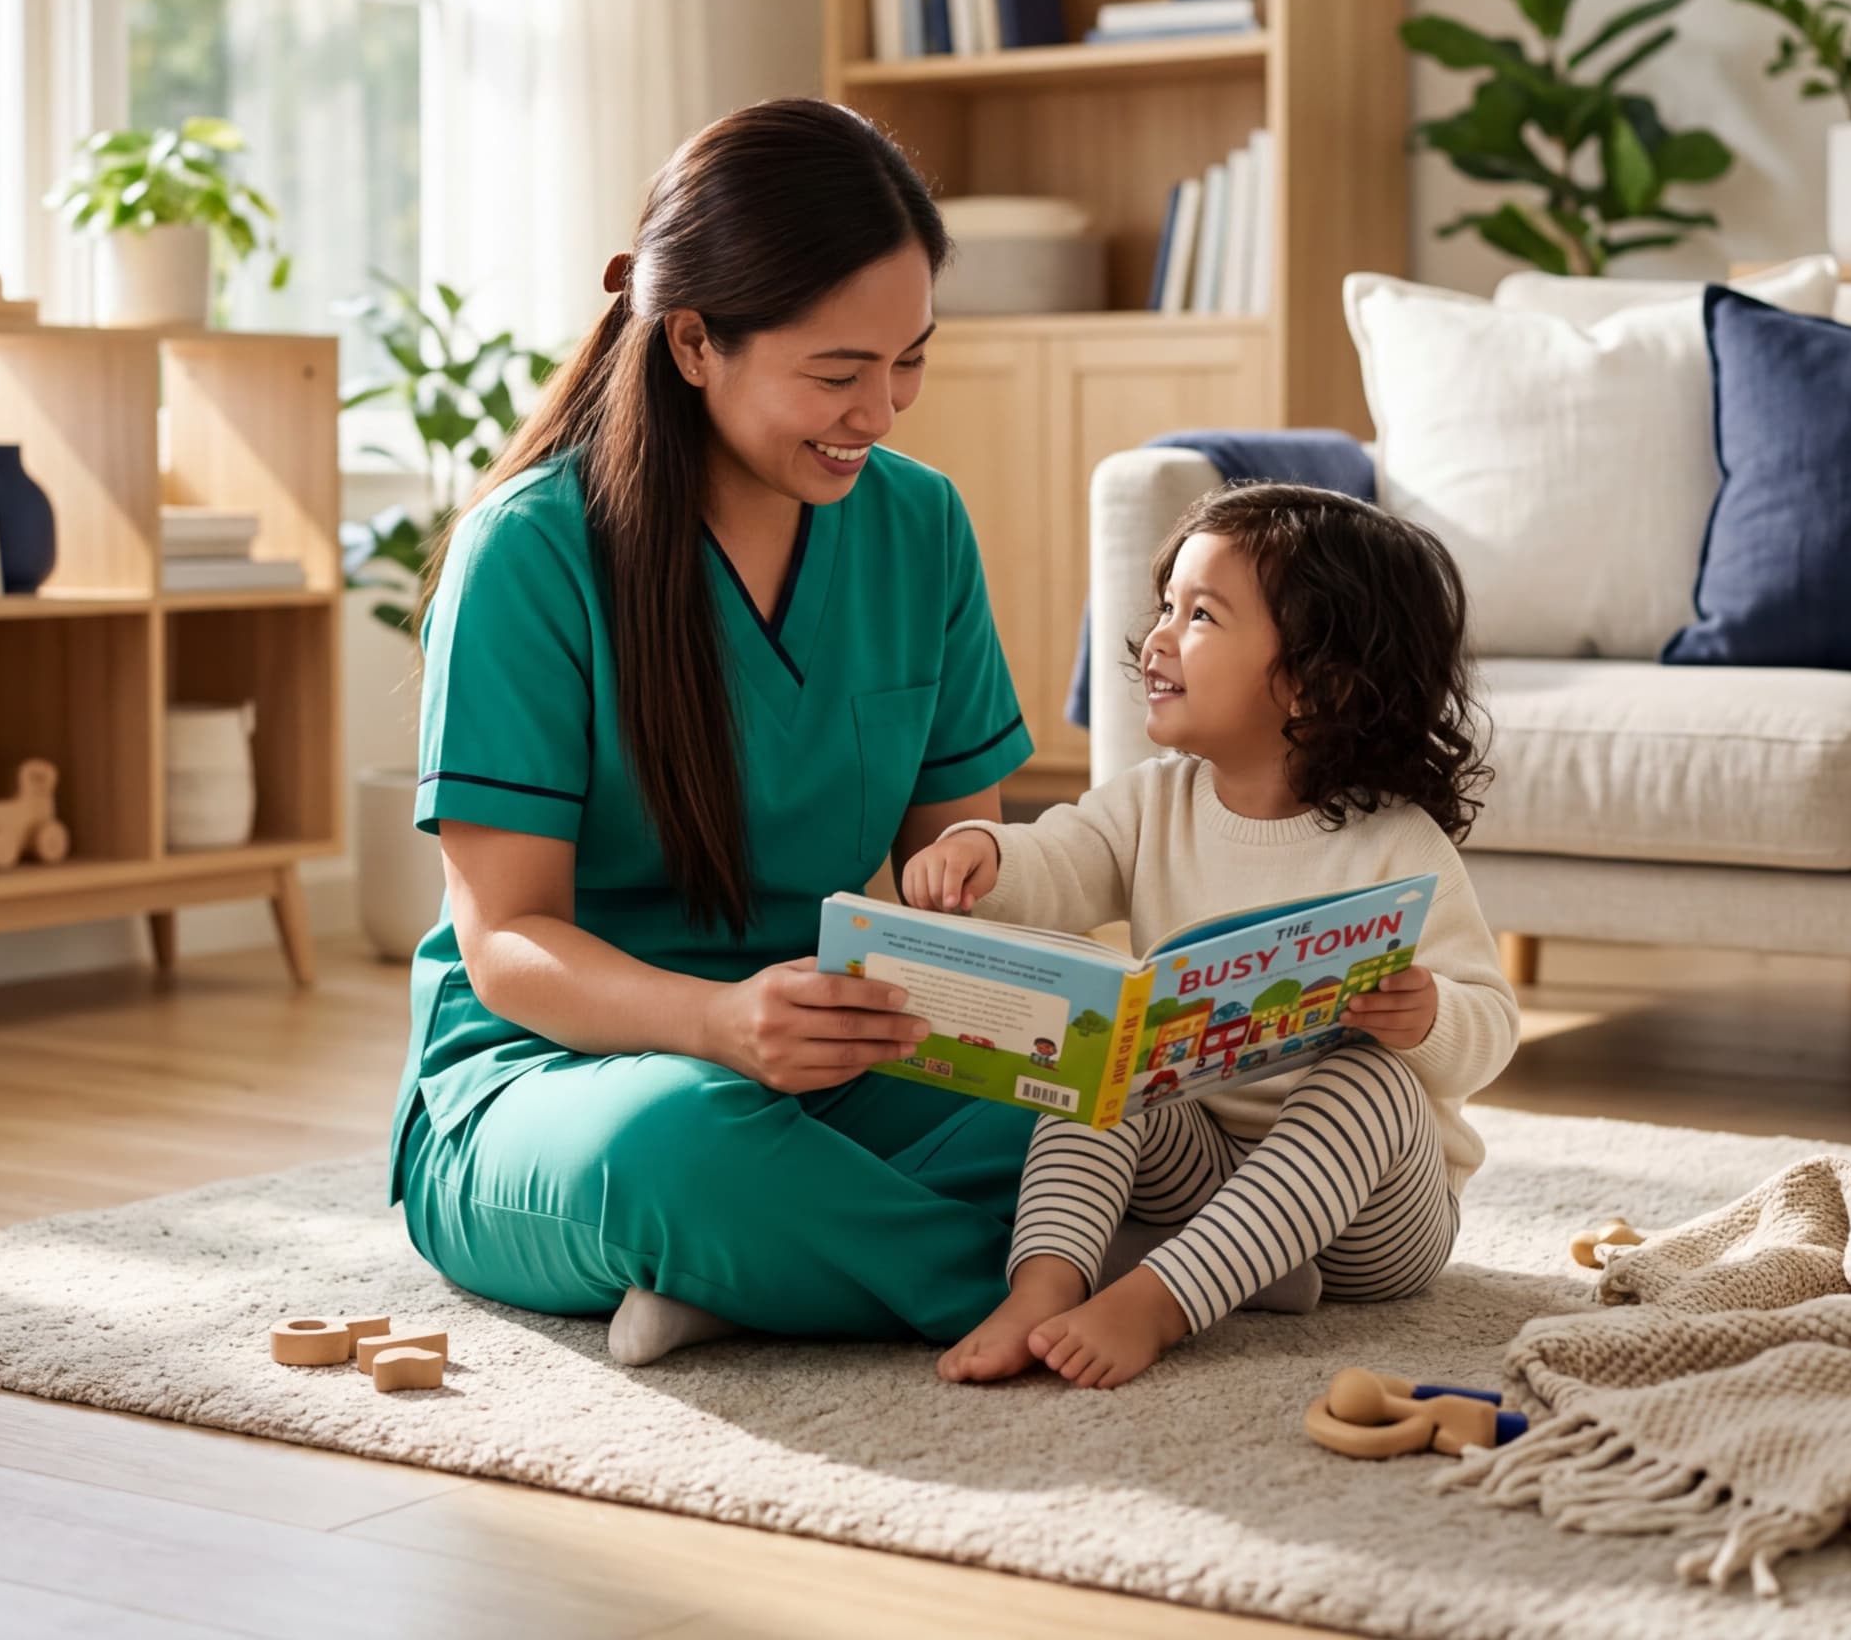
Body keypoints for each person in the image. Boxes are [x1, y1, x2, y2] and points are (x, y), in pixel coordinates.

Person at [388, 98, 1035, 1366]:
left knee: (1117, 1120)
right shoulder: (528, 551)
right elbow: (508, 939)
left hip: (832, 1056)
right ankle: (1090, 1284)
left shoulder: (920, 524)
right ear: (693, 342)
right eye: (837, 372)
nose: (883, 410)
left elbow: (952, 840)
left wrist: (971, 907)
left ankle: (756, 1276)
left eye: (908, 359)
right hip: (560, 1082)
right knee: (683, 1149)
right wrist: (716, 1022)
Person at [903, 482, 1519, 1388]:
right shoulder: (1156, 799)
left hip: (1374, 1220)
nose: (1157, 637)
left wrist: (1426, 1017)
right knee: (1098, 1049)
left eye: (1201, 615)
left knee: (1371, 1078)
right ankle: (1046, 1281)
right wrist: (980, 857)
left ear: (1317, 679)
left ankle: (1158, 1299)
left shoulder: (1395, 847)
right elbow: (1058, 860)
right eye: (1165, 606)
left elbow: (1493, 1029)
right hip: (1201, 1174)